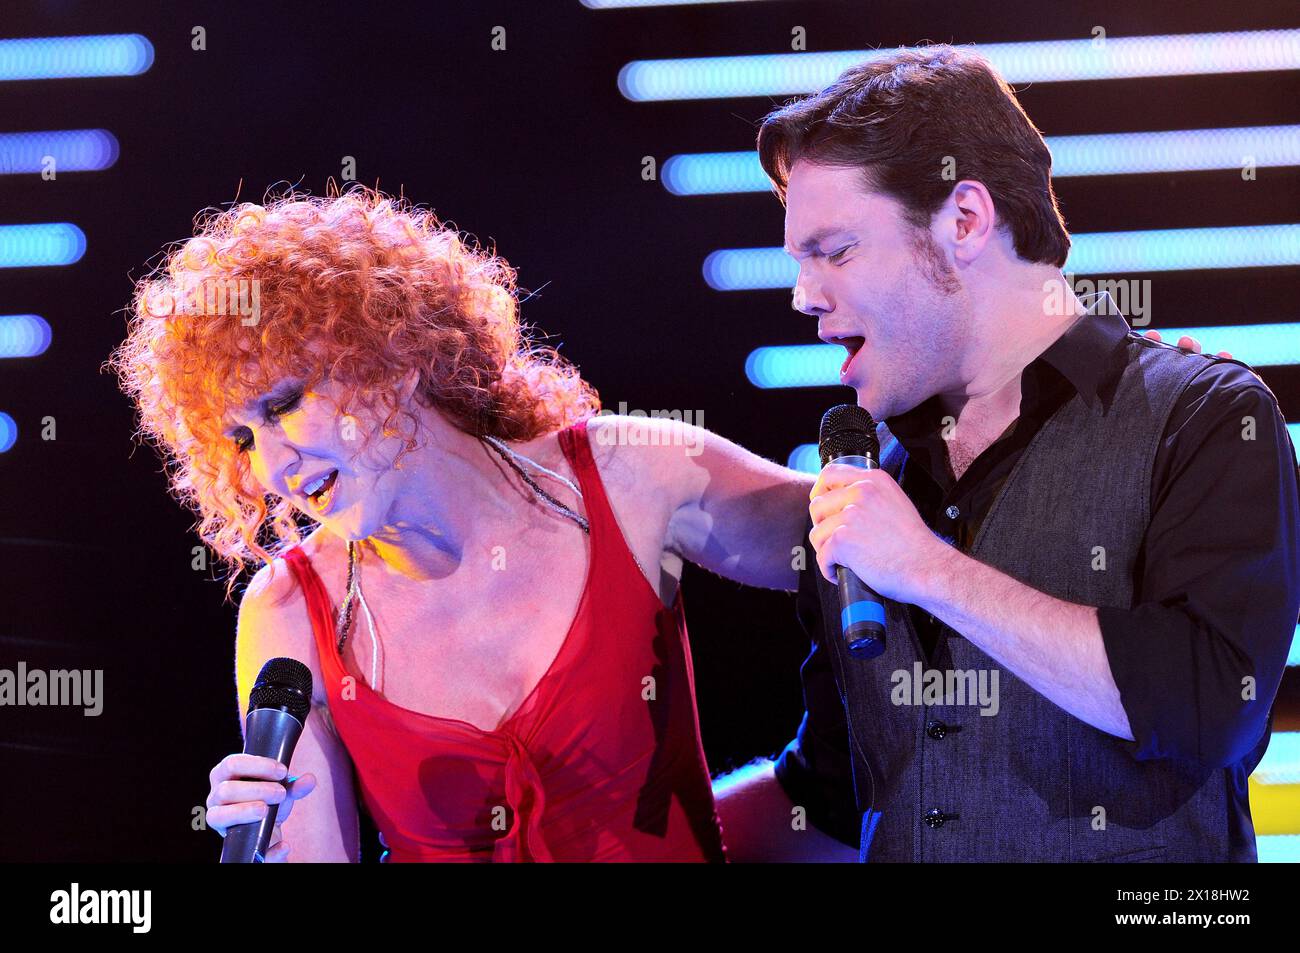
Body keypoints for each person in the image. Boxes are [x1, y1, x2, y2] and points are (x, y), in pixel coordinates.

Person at [713, 44, 1300, 862]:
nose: (804, 295)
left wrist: (930, 571)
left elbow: (1208, 702)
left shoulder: (1206, 416)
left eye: (835, 250)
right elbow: (832, 797)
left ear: (964, 220)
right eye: (798, 260)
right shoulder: (868, 484)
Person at [110, 186, 817, 862]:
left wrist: (836, 791)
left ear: (391, 356)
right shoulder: (290, 610)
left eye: (283, 404)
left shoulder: (627, 474)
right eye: (242, 439)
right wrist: (267, 844)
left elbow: (860, 547)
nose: (274, 464)